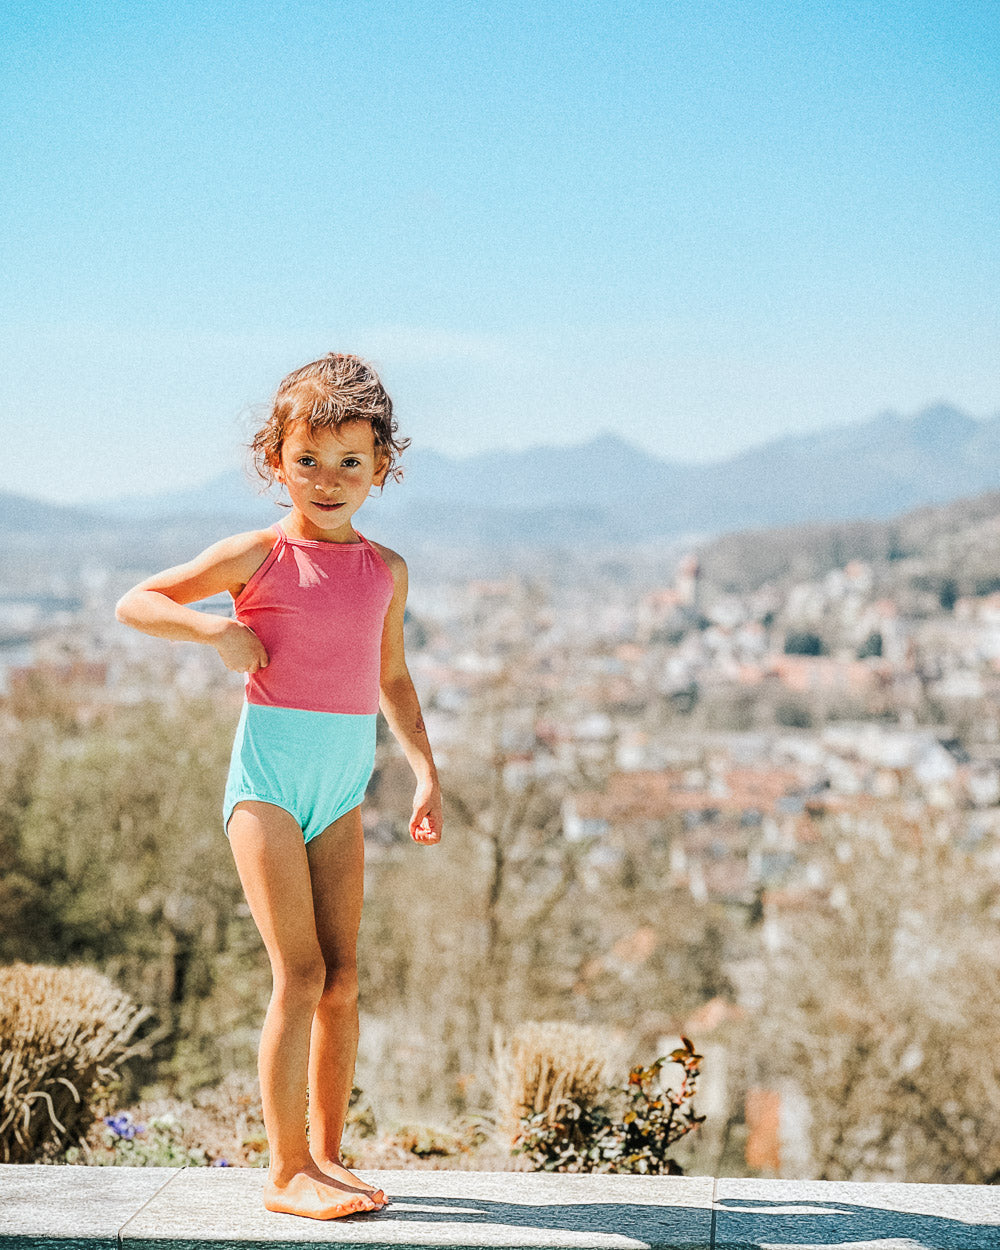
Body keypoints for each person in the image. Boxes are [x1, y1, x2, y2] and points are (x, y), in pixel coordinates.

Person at [115, 352, 442, 1221]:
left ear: (382, 468)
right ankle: (285, 1169)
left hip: (341, 790)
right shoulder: (258, 553)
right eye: (308, 460)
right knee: (297, 975)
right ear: (275, 460)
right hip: (266, 787)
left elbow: (394, 680)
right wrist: (212, 632)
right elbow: (137, 602)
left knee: (343, 976)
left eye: (350, 464)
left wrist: (423, 773)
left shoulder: (386, 570)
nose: (327, 480)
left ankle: (329, 1157)